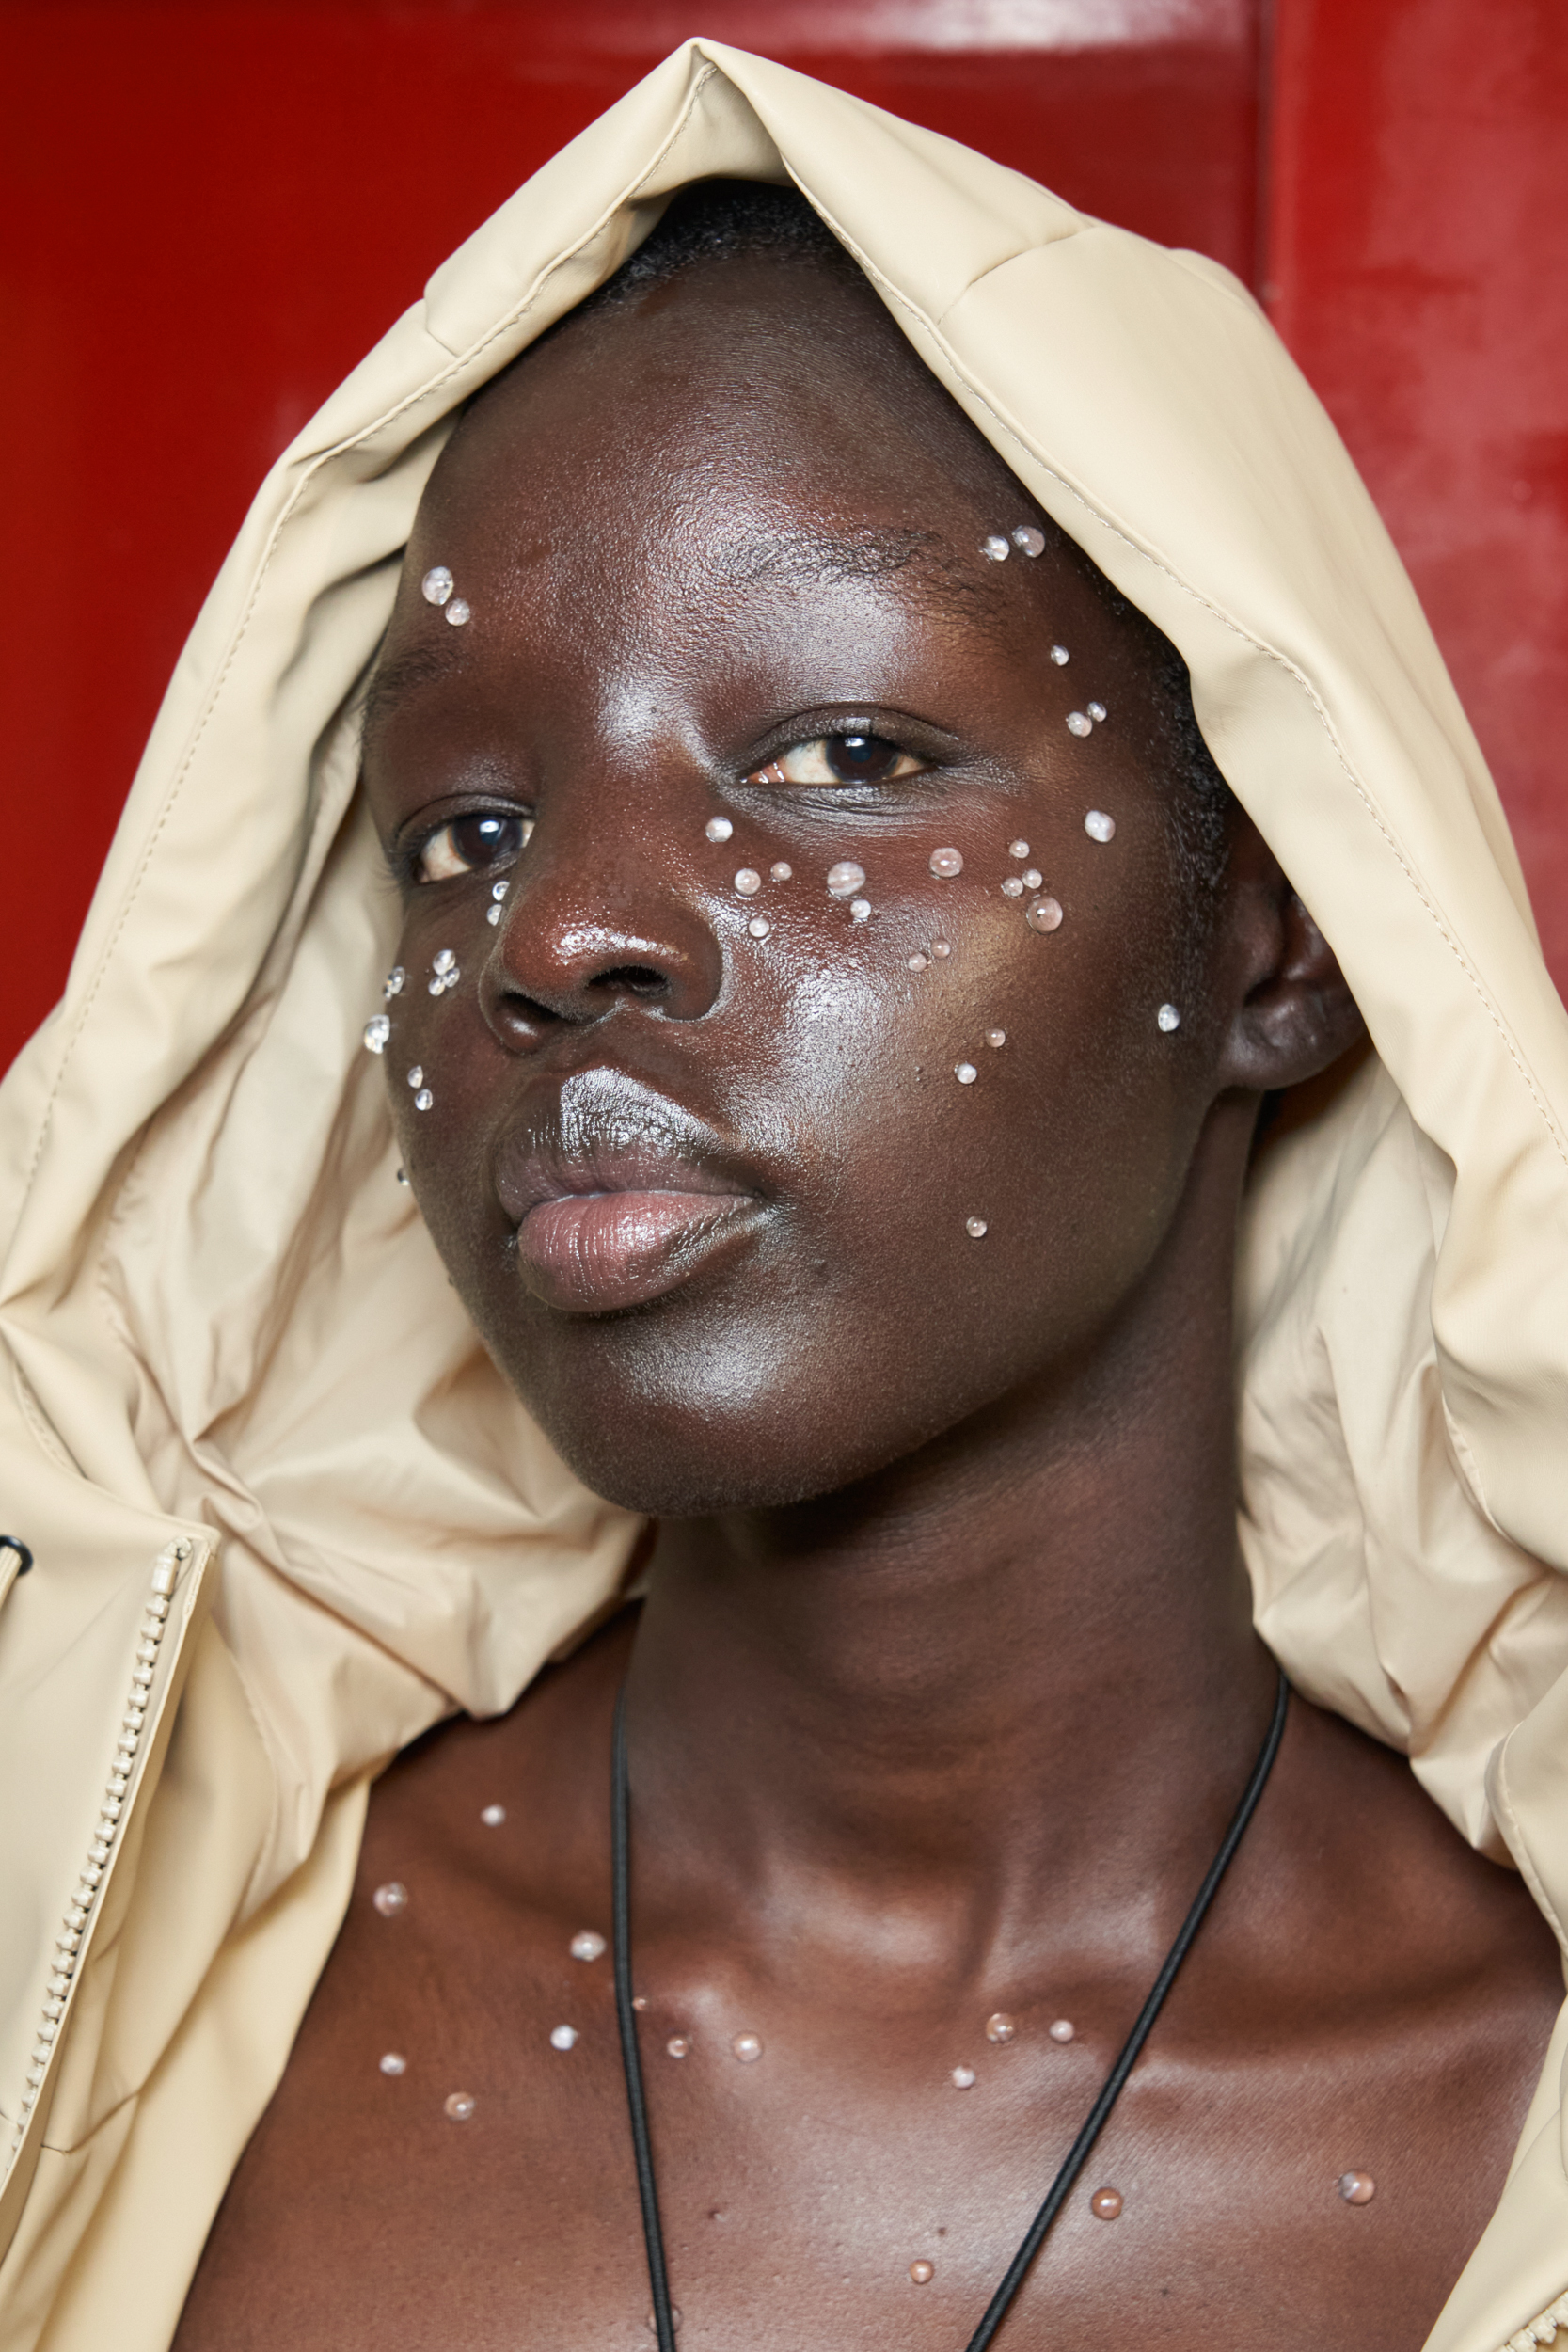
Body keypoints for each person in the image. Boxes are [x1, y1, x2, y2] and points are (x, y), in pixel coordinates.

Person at [3, 40, 1567, 2352]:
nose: (552, 939)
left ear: (1283, 936)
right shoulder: (133, 1934)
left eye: (840, 755)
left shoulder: (1496, 2103)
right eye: (465, 827)